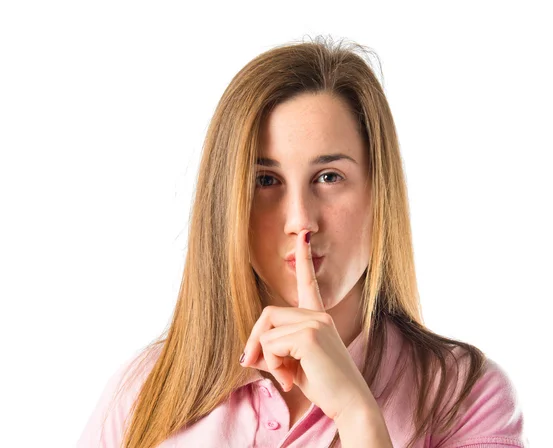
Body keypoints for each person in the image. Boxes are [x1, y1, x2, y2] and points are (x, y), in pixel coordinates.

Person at [77, 36, 528, 448]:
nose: (300, 221)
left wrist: (357, 415)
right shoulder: (145, 392)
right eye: (266, 180)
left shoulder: (465, 396)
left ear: (378, 193)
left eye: (329, 177)